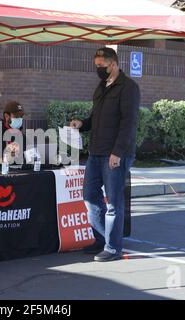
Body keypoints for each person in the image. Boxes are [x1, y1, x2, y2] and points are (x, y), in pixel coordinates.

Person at [70, 47, 140, 262]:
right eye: (97, 66)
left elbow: (129, 124)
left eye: (102, 66)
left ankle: (113, 248)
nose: (99, 70)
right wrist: (82, 124)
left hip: (115, 154)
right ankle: (101, 239)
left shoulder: (128, 88)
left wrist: (117, 153)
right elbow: (96, 116)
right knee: (90, 196)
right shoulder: (102, 86)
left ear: (114, 63)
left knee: (113, 203)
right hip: (96, 152)